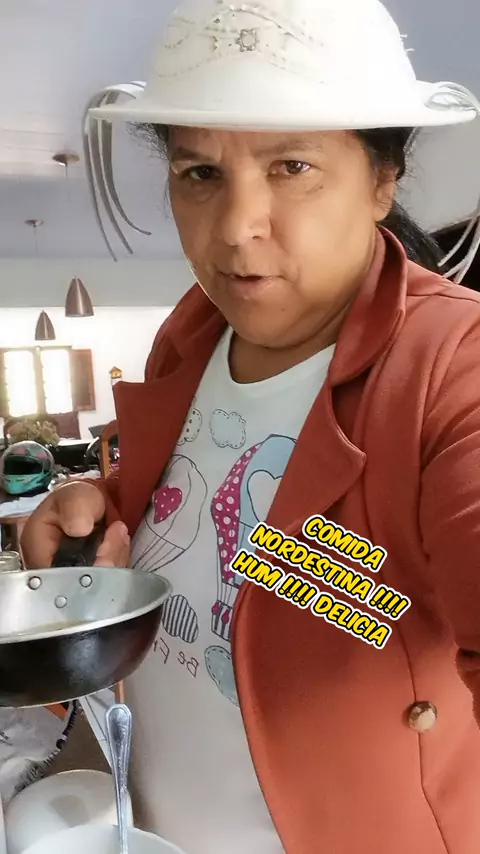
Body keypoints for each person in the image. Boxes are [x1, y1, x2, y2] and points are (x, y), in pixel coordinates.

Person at [21, 0, 480, 851]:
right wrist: (102, 511)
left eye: (293, 166)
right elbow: (200, 501)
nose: (235, 229)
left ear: (383, 179)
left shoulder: (454, 370)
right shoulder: (192, 334)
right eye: (200, 173)